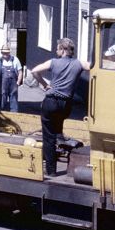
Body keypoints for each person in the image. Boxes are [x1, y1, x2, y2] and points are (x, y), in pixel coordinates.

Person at [30, 38, 89, 177]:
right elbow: (92, 67)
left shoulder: (53, 62)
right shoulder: (78, 63)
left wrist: (45, 85)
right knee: (57, 129)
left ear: (62, 49)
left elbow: (34, 71)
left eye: (57, 49)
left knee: (48, 138)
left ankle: (51, 171)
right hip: (66, 106)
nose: (56, 51)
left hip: (51, 103)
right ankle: (60, 136)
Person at [0, 44, 23, 112]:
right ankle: (1, 113)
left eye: (6, 52)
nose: (5, 54)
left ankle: (14, 115)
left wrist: (18, 83)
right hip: (3, 86)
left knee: (13, 99)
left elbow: (20, 72)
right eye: (3, 52)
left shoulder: (15, 60)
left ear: (9, 52)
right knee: (2, 100)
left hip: (13, 85)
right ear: (1, 52)